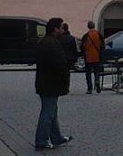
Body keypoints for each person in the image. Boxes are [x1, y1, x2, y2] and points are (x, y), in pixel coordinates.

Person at [34, 17, 73, 150]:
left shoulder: (43, 41)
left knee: (52, 111)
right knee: (48, 112)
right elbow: (60, 65)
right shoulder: (54, 44)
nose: (63, 30)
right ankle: (41, 140)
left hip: (44, 82)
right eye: (61, 27)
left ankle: (56, 137)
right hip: (51, 83)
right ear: (55, 29)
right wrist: (65, 82)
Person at [79, 22, 104, 94]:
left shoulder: (86, 35)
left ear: (88, 27)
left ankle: (89, 89)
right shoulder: (99, 34)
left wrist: (84, 52)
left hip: (88, 57)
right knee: (97, 72)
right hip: (96, 56)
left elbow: (82, 46)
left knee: (88, 73)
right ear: (94, 26)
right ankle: (97, 81)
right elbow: (103, 45)